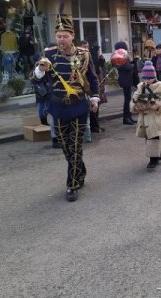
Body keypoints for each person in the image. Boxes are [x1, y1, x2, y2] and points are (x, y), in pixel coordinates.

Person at [31, 14, 100, 202]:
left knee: (76, 146)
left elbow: (92, 78)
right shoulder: (49, 55)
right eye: (58, 36)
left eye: (65, 36)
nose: (61, 39)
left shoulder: (84, 55)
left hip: (78, 106)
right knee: (65, 147)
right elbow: (35, 79)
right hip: (58, 107)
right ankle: (81, 170)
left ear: (72, 36)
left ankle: (72, 185)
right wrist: (40, 69)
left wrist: (94, 98)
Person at [130, 61, 161, 169]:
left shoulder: (160, 86)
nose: (147, 80)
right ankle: (157, 154)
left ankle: (153, 160)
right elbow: (134, 99)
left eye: (149, 78)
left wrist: (155, 104)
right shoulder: (140, 86)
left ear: (154, 77)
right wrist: (136, 106)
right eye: (145, 78)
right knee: (147, 137)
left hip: (155, 117)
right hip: (144, 118)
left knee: (153, 137)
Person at [114, 41, 136, 125]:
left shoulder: (122, 55)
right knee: (127, 100)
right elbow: (127, 67)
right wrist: (132, 65)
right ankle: (126, 118)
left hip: (127, 79)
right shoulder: (119, 57)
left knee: (128, 99)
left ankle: (129, 117)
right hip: (125, 79)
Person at [89, 45, 107, 134]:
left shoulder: (97, 59)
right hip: (95, 89)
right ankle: (94, 126)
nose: (99, 52)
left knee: (97, 108)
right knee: (94, 108)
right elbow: (95, 74)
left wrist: (102, 61)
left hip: (99, 87)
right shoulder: (92, 60)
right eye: (98, 51)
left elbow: (102, 69)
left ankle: (96, 125)